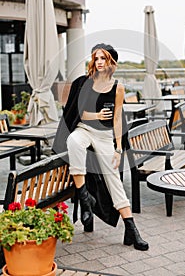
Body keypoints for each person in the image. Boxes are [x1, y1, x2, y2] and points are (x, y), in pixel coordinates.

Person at [53, 43, 148, 251]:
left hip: (105, 136)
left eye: (103, 58)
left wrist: (118, 148)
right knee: (74, 142)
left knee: (113, 179)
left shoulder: (118, 87)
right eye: (96, 58)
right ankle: (85, 201)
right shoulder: (84, 83)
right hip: (84, 129)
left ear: (111, 62)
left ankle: (132, 228)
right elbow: (78, 113)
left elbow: (116, 120)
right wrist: (95, 116)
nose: (99, 62)